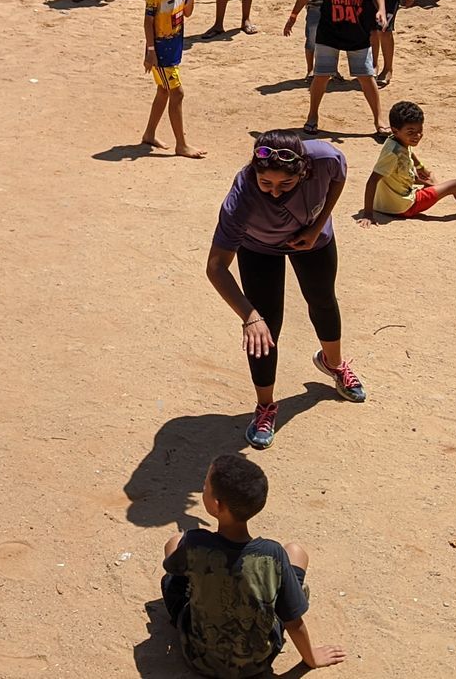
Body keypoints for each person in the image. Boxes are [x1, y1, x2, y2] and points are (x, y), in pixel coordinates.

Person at [205, 130, 366, 450]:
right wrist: (250, 316)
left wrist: (317, 225)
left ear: (304, 172)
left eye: (285, 185)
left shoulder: (323, 158)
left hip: (313, 239)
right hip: (259, 248)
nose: (275, 192)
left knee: (322, 299)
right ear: (255, 173)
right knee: (265, 328)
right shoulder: (242, 198)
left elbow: (339, 176)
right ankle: (265, 406)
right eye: (266, 183)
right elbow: (215, 267)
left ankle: (333, 363)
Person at [162, 454, 348, 677]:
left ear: (217, 505)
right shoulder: (272, 554)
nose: (203, 487)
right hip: (255, 663)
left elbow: (172, 568)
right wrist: (311, 658)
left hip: (199, 657)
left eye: (205, 486)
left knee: (174, 544)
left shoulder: (196, 543)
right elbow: (293, 620)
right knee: (296, 553)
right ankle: (289, 591)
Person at [289, 0, 387, 140]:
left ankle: (379, 120)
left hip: (358, 31)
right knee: (321, 75)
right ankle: (312, 116)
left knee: (366, 76)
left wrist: (380, 10)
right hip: (329, 31)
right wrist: (294, 15)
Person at [357, 101, 456, 223]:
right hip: (404, 207)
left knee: (430, 177)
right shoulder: (393, 154)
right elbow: (372, 180)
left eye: (420, 130)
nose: (417, 136)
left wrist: (420, 167)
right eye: (411, 132)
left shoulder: (394, 140)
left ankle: (436, 188)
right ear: (395, 130)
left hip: (386, 203)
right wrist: (368, 214)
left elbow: (409, 153)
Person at [143, 0, 205, 158]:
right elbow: (148, 21)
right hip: (161, 49)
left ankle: (149, 134)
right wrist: (150, 52)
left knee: (163, 92)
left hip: (175, 44)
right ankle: (181, 145)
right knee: (177, 93)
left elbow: (187, 13)